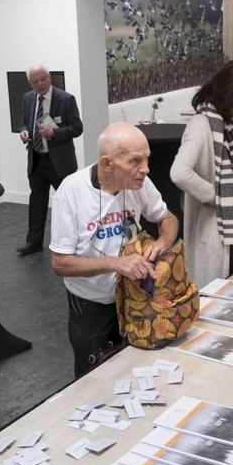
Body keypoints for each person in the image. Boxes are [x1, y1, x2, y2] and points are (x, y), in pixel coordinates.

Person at [50, 122, 178, 378]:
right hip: (92, 305)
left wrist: (161, 243)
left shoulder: (139, 183)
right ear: (108, 164)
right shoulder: (71, 192)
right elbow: (60, 263)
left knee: (137, 369)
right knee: (94, 376)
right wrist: (116, 263)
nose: (145, 169)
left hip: (136, 298)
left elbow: (168, 218)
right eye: (135, 161)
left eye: (146, 159)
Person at [169, 58, 233, 287]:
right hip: (215, 225)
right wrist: (216, 196)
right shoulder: (202, 125)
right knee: (215, 294)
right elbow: (179, 172)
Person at [16, 64, 84, 256]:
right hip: (37, 158)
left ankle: (77, 240)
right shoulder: (28, 98)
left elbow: (77, 128)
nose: (40, 84)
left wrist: (55, 133)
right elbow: (24, 121)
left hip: (60, 162)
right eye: (35, 81)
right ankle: (34, 242)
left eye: (43, 79)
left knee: (68, 202)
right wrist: (24, 131)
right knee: (37, 199)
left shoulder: (65, 99)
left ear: (50, 78)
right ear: (30, 83)